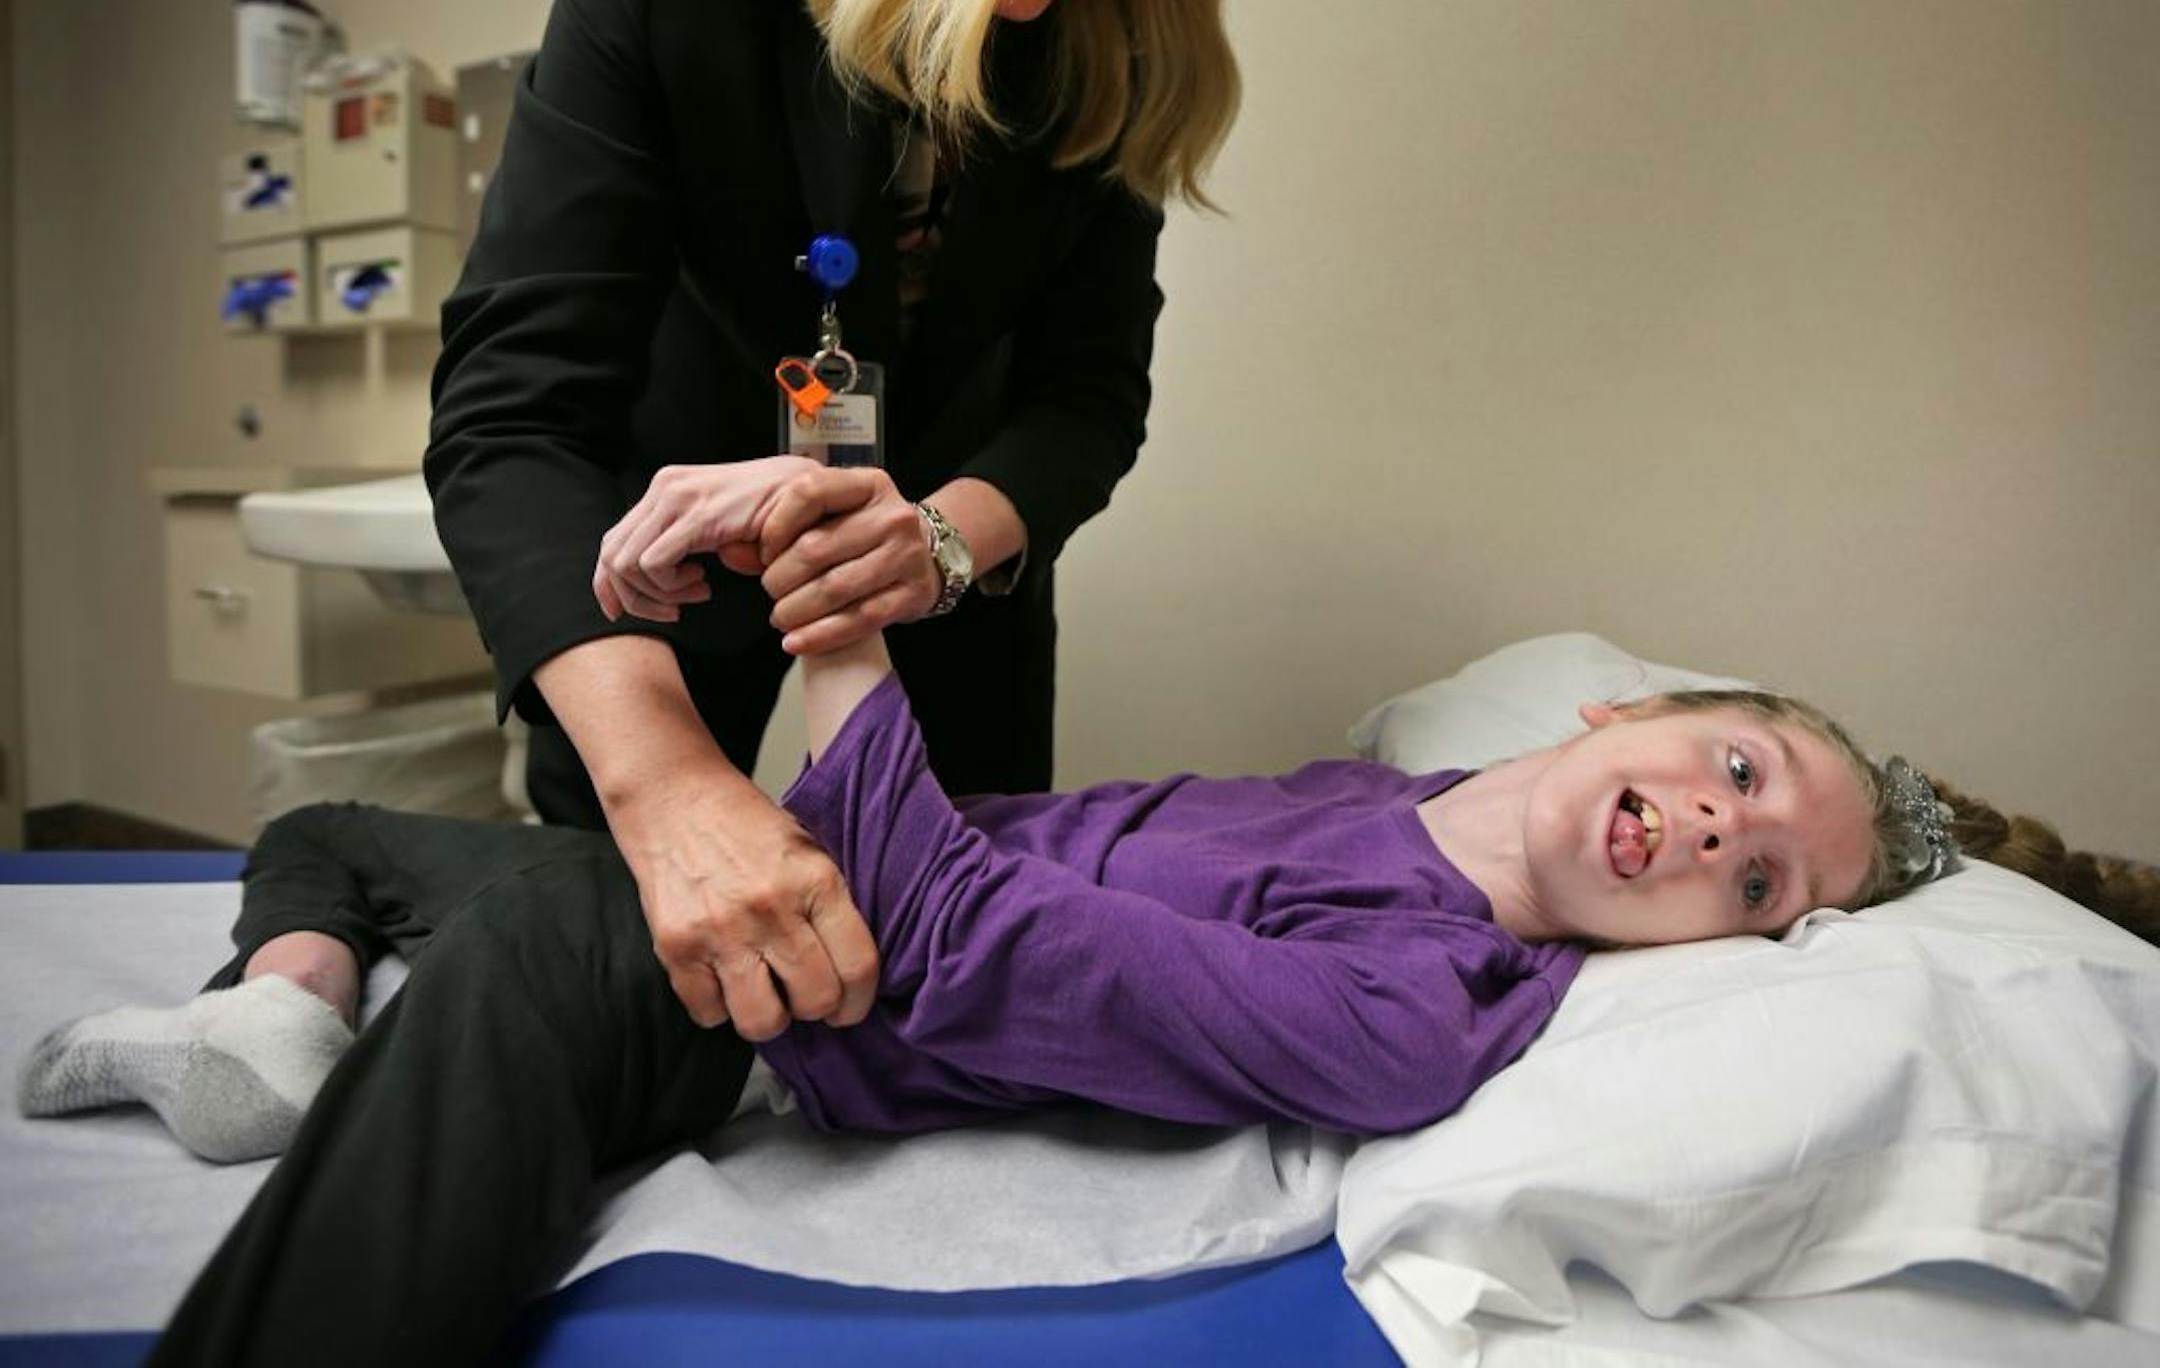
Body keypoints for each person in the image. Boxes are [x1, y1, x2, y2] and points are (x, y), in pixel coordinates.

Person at [25, 458, 2154, 1368]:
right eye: (1740, 768)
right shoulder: (1381, 785)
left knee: (527, 935)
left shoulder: (1424, 1007)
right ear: (1638, 709)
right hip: (765, 868)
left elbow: (945, 929)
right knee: (336, 848)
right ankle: (282, 1001)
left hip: (782, 979)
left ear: (1728, 935)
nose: (1712, 826)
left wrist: (827, 587)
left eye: (1762, 877)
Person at [423, 0, 1255, 1041]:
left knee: (958, 976)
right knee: (606, 966)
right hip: (660, 557)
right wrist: (668, 789)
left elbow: (1086, 401)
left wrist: (934, 545)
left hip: (941, 567)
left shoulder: (1121, 50)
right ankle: (324, 896)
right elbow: (511, 414)